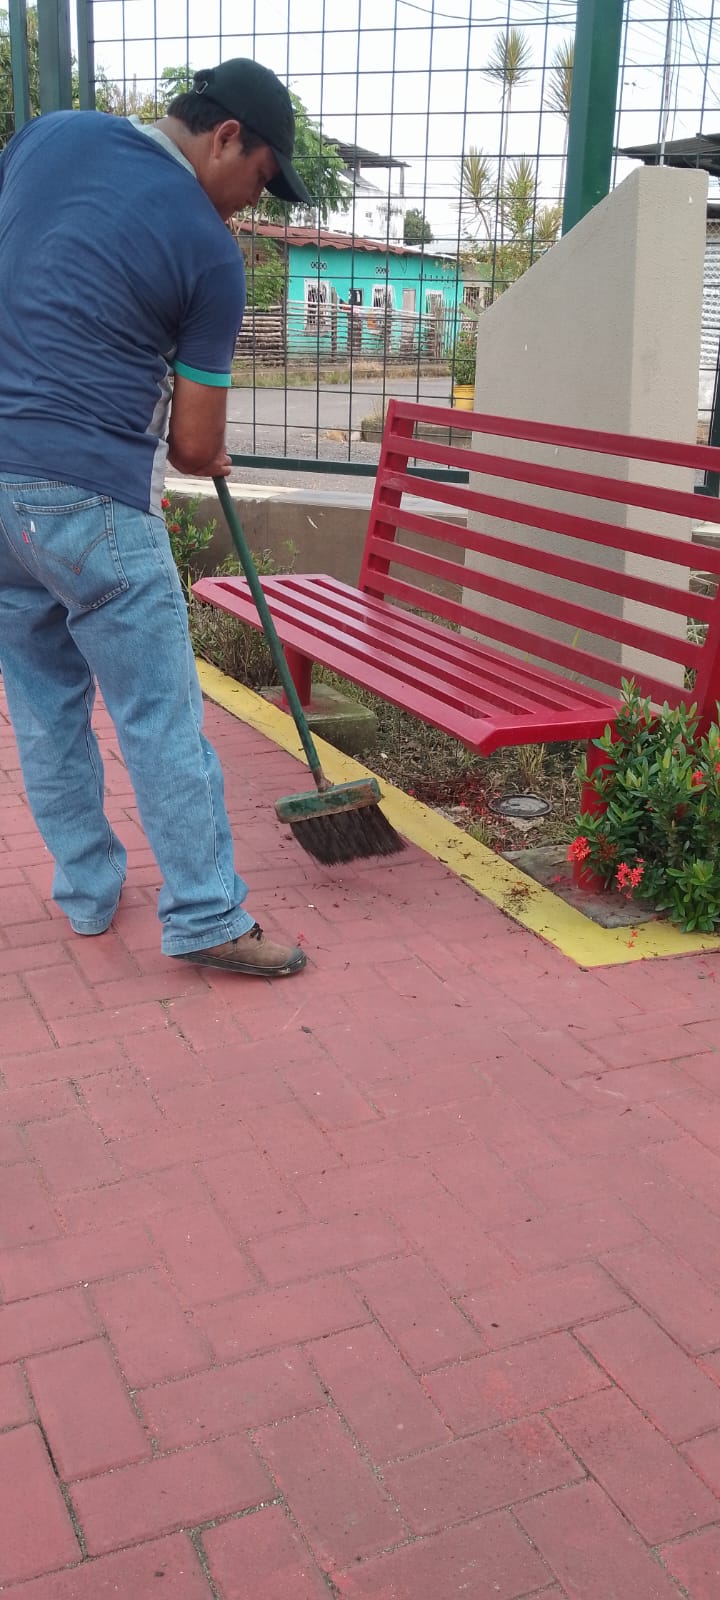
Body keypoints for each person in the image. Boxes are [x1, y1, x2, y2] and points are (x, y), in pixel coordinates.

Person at [0, 59, 312, 977]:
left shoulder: (51, 136)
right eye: (259, 179)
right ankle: (208, 915)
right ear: (227, 137)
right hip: (88, 497)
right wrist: (208, 453)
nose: (249, 207)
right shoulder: (208, 251)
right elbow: (192, 447)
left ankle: (88, 892)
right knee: (159, 715)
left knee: (43, 707)